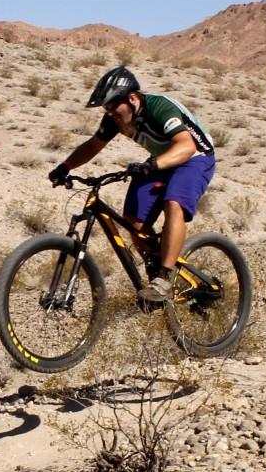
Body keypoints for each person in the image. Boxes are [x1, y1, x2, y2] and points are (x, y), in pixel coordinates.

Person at [48, 66, 216, 303]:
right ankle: (155, 268)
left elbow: (186, 146)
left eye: (114, 107)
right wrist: (65, 167)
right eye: (107, 109)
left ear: (133, 98)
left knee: (174, 203)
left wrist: (152, 165)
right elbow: (93, 145)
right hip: (161, 161)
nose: (111, 114)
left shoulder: (159, 108)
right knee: (133, 220)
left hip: (194, 157)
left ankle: (165, 278)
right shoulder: (115, 119)